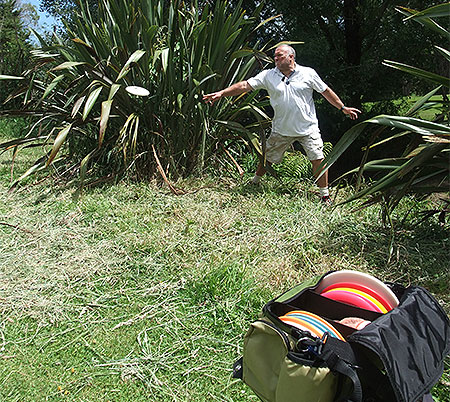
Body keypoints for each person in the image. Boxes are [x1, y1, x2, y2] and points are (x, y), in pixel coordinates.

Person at [203, 44, 361, 204]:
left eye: (280, 55)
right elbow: (245, 85)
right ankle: (255, 182)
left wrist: (342, 107)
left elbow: (325, 91)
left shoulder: (308, 73)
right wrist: (222, 93)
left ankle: (324, 196)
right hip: (281, 129)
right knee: (267, 157)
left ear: (291, 56)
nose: (276, 58)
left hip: (308, 128)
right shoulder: (268, 75)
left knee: (318, 158)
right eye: (275, 56)